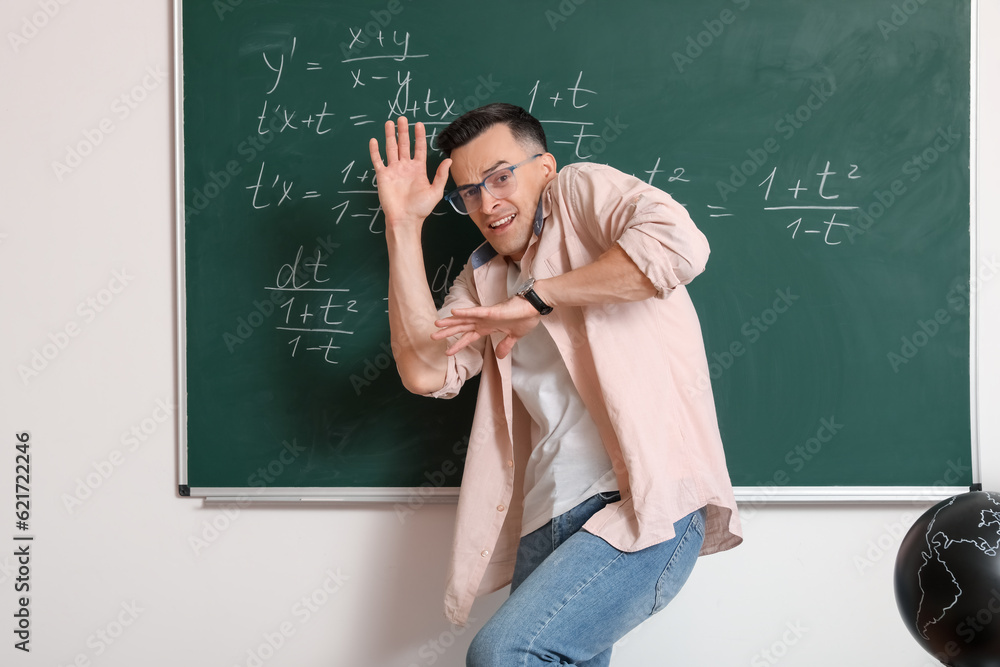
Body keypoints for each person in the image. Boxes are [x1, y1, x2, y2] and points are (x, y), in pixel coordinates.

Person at [369, 103, 742, 666]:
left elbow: (679, 245)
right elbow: (426, 370)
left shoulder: (580, 192)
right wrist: (402, 227)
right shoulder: (484, 278)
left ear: (544, 167)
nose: (487, 202)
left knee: (505, 652)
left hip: (641, 504)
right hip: (544, 523)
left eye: (500, 177)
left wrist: (538, 299)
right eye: (469, 192)